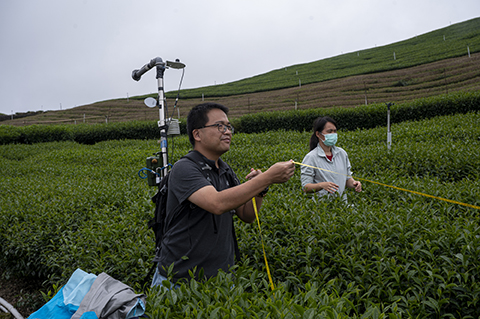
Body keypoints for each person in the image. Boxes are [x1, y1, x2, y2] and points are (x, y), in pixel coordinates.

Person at [152, 102, 295, 286]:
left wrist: (260, 189)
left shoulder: (225, 170)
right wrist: (266, 178)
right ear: (197, 134)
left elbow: (247, 215)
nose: (227, 131)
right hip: (178, 280)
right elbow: (217, 204)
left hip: (219, 278)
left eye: (228, 127)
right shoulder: (185, 168)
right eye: (219, 126)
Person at [300, 116, 362, 201]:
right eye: (329, 131)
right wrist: (321, 185)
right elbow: (306, 187)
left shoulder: (342, 153)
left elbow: (347, 179)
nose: (333, 134)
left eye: (335, 131)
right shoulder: (311, 157)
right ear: (318, 134)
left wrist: (354, 183)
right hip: (322, 207)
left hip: (342, 204)